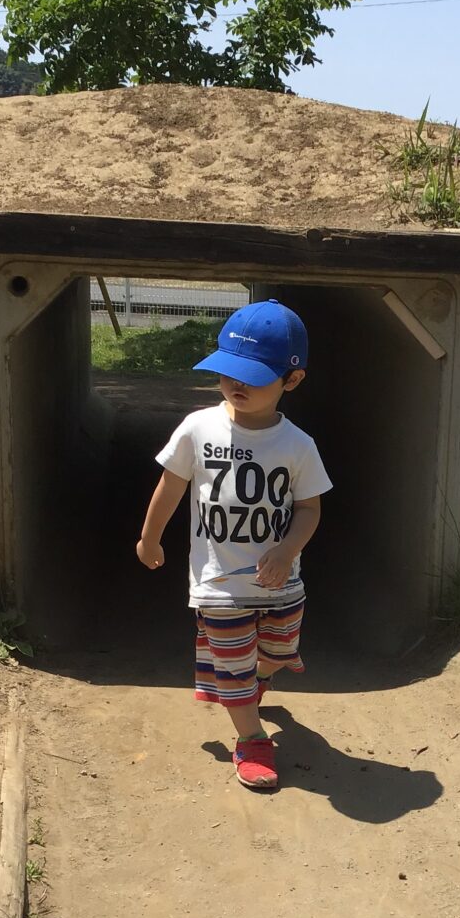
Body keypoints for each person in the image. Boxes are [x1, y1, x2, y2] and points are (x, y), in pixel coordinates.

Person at [136, 299, 332, 792]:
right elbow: (171, 486)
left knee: (279, 652)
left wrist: (286, 551)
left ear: (292, 380)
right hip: (217, 584)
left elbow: (309, 509)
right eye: (228, 372)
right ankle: (252, 738)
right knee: (233, 666)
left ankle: (256, 678)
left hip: (281, 582)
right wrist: (149, 536)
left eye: (254, 376)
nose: (236, 384)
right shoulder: (198, 427)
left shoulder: (298, 445)